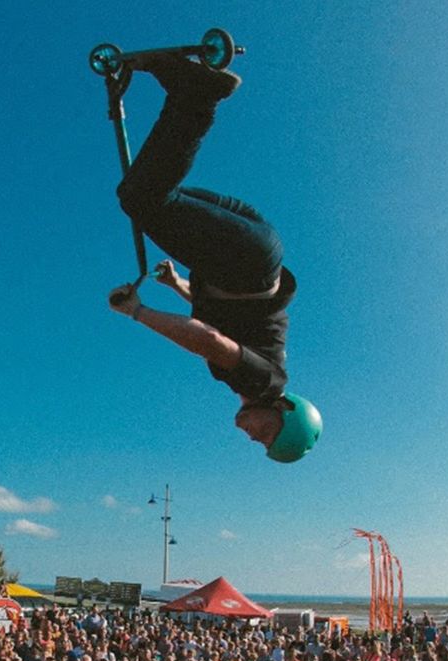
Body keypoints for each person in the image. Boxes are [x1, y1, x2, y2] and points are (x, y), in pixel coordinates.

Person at [106, 53, 319, 463]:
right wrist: (137, 312)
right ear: (283, 410)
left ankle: (187, 90)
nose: (254, 438)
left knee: (146, 188)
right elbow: (207, 339)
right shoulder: (262, 384)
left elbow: (226, 318)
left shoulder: (261, 370)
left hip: (253, 248)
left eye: (260, 444)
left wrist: (177, 285)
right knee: (142, 198)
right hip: (241, 262)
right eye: (267, 434)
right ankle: (198, 93)